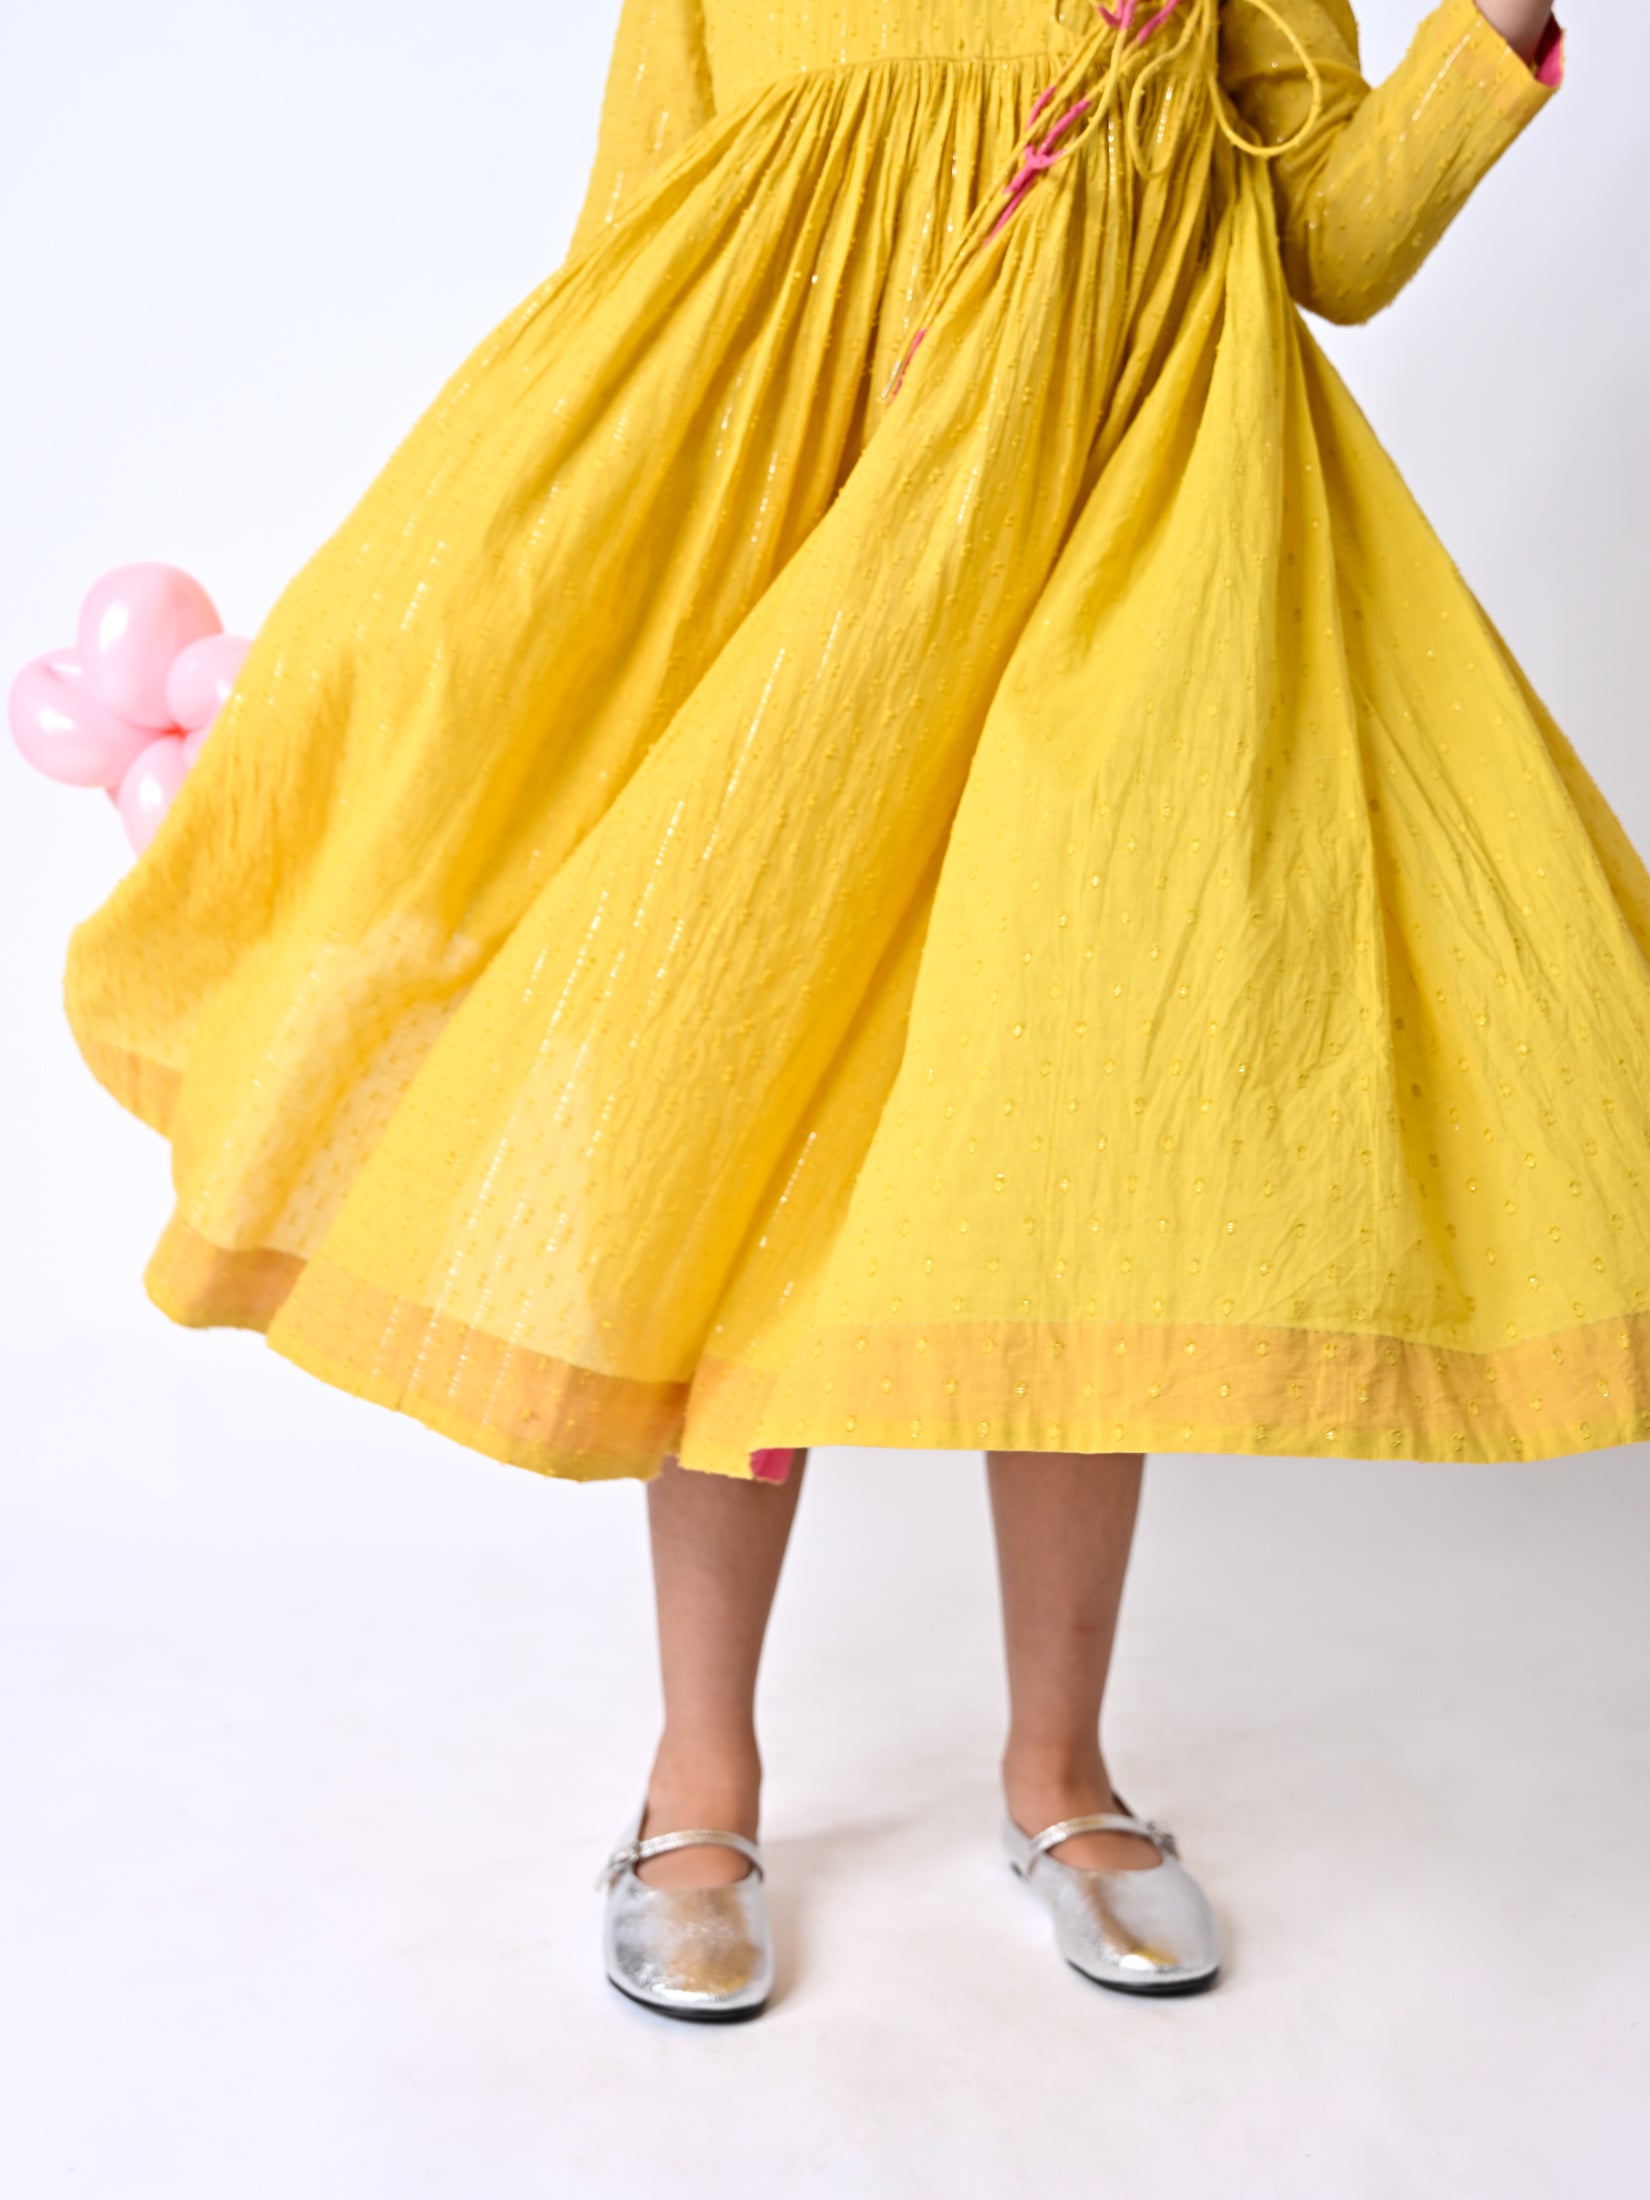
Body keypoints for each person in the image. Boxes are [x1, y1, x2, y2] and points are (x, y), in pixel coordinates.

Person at [64, 0, 1634, 2024]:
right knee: (734, 1165)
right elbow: (639, 270)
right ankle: (698, 1780)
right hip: (814, 622)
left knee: (1070, 1170)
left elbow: (1331, 237)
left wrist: (1493, 29)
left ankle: (1060, 1775)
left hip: (1115, 613)